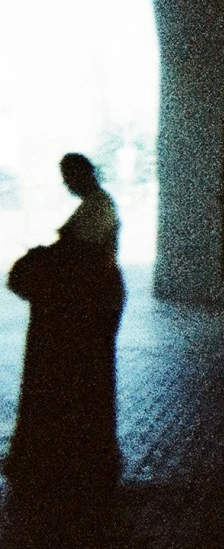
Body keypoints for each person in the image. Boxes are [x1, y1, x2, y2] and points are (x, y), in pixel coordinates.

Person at [3, 153, 125, 495]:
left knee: (74, 375)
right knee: (85, 377)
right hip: (89, 298)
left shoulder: (97, 206)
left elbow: (76, 254)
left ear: (85, 174)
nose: (66, 182)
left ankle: (66, 459)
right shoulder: (97, 205)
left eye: (69, 175)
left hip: (87, 301)